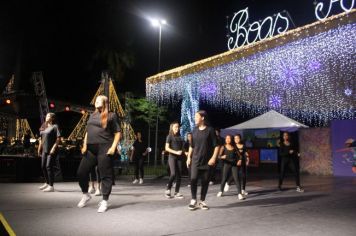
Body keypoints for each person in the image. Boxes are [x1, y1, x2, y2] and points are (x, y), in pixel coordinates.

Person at [77, 95, 121, 213]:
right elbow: (87, 132)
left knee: (105, 175)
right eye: (95, 100)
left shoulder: (112, 115)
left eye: (98, 100)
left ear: (105, 102)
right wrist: (85, 145)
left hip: (105, 148)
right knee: (81, 172)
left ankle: (105, 200)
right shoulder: (92, 115)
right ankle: (86, 194)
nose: (95, 102)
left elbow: (117, 133)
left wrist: (113, 147)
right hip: (91, 150)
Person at [186, 110, 219, 210]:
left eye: (196, 116)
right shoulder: (194, 130)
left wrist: (213, 158)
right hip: (195, 160)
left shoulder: (210, 130)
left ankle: (202, 201)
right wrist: (188, 157)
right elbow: (192, 146)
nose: (195, 118)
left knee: (205, 182)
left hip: (207, 161)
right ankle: (193, 200)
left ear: (202, 118)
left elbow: (216, 146)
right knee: (193, 179)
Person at [38, 113, 61, 192]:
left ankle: (51, 186)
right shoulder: (44, 126)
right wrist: (39, 148)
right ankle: (47, 183)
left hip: (51, 150)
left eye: (48, 116)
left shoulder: (55, 126)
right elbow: (41, 138)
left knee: (48, 166)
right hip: (44, 149)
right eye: (46, 116)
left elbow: (58, 138)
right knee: (43, 166)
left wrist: (54, 148)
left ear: (52, 118)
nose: (46, 117)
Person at [217, 135, 245, 200]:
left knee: (237, 179)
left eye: (229, 138)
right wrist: (221, 157)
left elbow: (240, 156)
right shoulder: (223, 147)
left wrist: (240, 160)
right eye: (226, 138)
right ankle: (221, 191)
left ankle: (239, 194)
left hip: (234, 164)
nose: (227, 139)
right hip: (227, 164)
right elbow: (218, 156)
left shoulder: (234, 147)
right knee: (224, 178)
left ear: (231, 139)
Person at [165, 122, 184, 199]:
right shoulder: (169, 136)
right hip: (172, 157)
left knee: (179, 175)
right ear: (172, 128)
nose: (177, 128)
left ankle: (176, 192)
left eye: (178, 127)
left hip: (179, 158)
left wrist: (185, 152)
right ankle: (168, 190)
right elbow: (167, 148)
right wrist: (176, 152)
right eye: (175, 127)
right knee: (173, 174)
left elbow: (182, 148)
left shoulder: (180, 137)